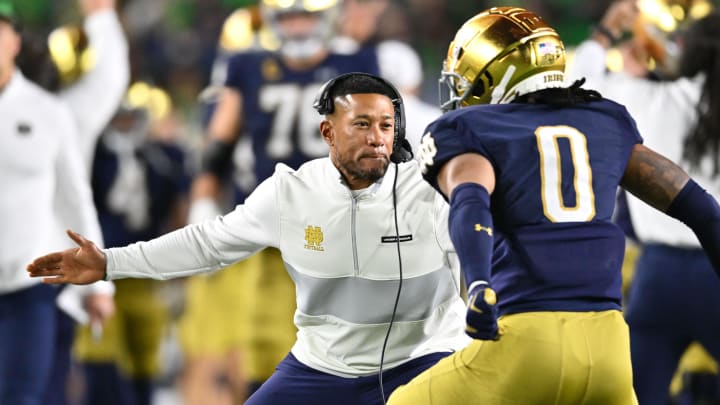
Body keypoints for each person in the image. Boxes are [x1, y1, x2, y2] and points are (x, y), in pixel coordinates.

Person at [27, 71, 470, 405]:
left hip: (423, 361)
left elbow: (485, 243)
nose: (377, 139)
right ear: (328, 132)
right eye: (361, 124)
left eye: (387, 126)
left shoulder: (431, 187)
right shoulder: (290, 193)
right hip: (322, 367)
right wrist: (109, 263)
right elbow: (208, 244)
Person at [386, 6, 720, 404]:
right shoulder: (605, 119)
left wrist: (478, 284)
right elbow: (699, 207)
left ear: (495, 74)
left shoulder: (470, 128)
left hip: (527, 340)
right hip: (609, 349)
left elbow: (471, 198)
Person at [181, 0, 384, 401]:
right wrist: (203, 198)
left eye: (305, 17)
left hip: (343, 225)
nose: (297, 28)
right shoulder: (248, 65)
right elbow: (220, 142)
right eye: (288, 18)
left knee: (351, 345)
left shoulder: (358, 63)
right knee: (264, 344)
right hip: (276, 227)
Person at [568, 1, 720, 403]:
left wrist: (607, 32)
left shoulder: (646, 99)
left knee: (637, 394)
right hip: (715, 267)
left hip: (658, 276)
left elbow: (573, 86)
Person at [0, 2, 115, 405]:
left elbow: (74, 197)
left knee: (23, 398)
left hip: (26, 284)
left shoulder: (49, 112)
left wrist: (102, 279)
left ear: (14, 40)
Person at [72, 91, 190, 405]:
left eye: (130, 116)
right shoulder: (90, 153)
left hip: (145, 271)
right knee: (100, 360)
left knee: (145, 362)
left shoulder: (166, 156)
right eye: (118, 117)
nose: (124, 124)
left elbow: (180, 210)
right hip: (98, 273)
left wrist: (183, 266)